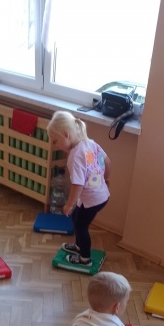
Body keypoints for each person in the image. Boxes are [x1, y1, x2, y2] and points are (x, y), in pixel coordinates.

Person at [47, 111, 111, 267]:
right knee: (77, 218)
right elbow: (107, 161)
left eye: (55, 141)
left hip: (93, 199)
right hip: (100, 196)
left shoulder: (75, 156)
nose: (55, 145)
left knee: (81, 226)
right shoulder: (90, 143)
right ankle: (78, 246)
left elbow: (78, 185)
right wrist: (106, 178)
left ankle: (85, 259)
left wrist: (69, 205)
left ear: (66, 134)